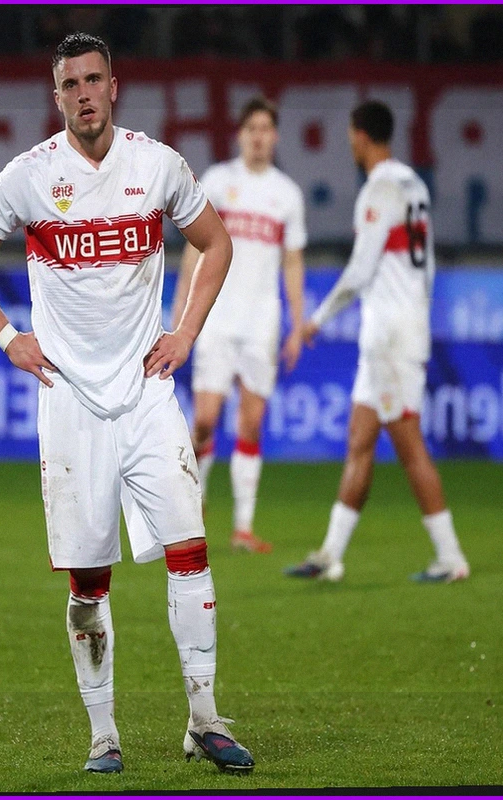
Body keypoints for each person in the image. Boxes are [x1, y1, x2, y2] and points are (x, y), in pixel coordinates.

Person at [0, 33, 255, 774]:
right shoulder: (30, 176)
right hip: (71, 400)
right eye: (70, 84)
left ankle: (205, 720)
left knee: (190, 550)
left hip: (147, 392)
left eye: (93, 80)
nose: (84, 94)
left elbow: (215, 243)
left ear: (115, 87)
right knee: (88, 583)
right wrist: (8, 337)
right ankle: (103, 735)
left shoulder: (157, 165)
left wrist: (185, 332)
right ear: (57, 97)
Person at [284, 99, 470, 584]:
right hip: (398, 330)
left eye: (351, 134)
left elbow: (360, 271)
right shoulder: (414, 184)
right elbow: (427, 265)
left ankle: (451, 558)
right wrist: (418, 313)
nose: (350, 142)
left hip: (389, 337)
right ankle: (330, 554)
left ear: (361, 136)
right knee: (359, 442)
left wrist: (316, 319)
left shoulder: (378, 190)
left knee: (409, 445)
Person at [170, 96, 308, 555]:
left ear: (275, 136)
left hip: (261, 322)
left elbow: (292, 262)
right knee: (205, 420)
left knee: (250, 425)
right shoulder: (217, 181)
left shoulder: (287, 194)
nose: (258, 137)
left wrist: (297, 323)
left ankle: (243, 528)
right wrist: (181, 307)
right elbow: (195, 248)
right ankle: (195, 500)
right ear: (240, 134)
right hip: (216, 317)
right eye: (252, 128)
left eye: (266, 129)